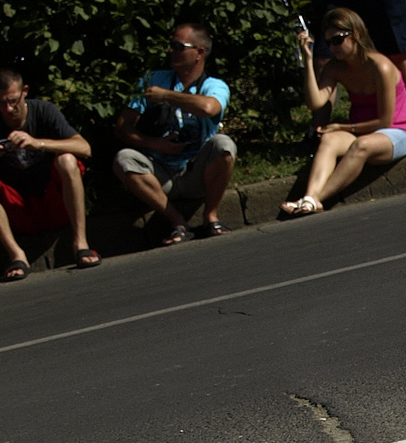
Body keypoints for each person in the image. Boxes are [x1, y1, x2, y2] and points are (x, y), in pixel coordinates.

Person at [281, 8, 406, 219]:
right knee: (328, 140)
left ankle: (314, 200)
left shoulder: (380, 66)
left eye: (337, 40)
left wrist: (343, 127)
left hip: (398, 131)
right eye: (328, 43)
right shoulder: (335, 68)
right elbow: (315, 102)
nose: (333, 47)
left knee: (360, 145)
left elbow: (385, 120)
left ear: (355, 34)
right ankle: (310, 197)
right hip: (364, 132)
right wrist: (308, 61)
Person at [112, 21, 237, 245]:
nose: (171, 51)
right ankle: (177, 221)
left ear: (199, 52)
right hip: (160, 174)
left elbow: (208, 108)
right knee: (123, 159)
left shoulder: (214, 85)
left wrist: (166, 96)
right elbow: (122, 127)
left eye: (179, 46)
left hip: (196, 172)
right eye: (171, 46)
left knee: (224, 145)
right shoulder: (154, 79)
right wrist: (154, 143)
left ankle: (211, 216)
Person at [0, 69, 98, 281]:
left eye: (13, 101)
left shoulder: (43, 111)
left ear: (24, 92)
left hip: (55, 201)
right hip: (19, 209)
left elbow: (84, 148)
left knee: (67, 160)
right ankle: (16, 255)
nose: (8, 109)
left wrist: (39, 143)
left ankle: (81, 243)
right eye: (1, 104)